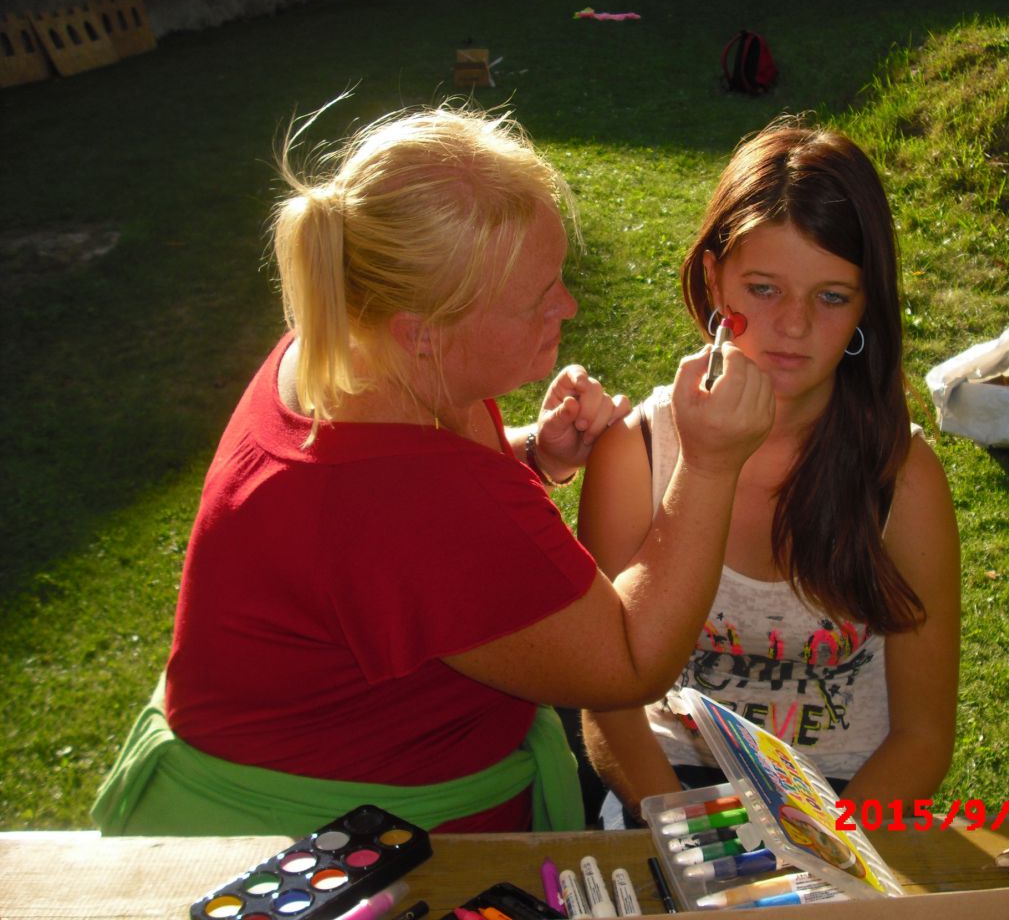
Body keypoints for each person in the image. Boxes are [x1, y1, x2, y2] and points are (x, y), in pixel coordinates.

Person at [91, 102, 773, 837]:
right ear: (422, 334)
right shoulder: (410, 501)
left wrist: (531, 454)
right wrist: (709, 464)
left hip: (286, 770)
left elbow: (397, 555)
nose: (570, 306)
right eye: (539, 300)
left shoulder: (348, 346)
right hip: (335, 843)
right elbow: (630, 662)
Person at [577, 119, 961, 823]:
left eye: (832, 297)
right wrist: (695, 833)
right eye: (763, 289)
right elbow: (608, 708)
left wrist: (825, 846)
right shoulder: (634, 455)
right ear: (713, 278)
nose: (794, 325)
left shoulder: (902, 477)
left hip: (843, 796)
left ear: (867, 305)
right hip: (669, 783)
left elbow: (923, 736)